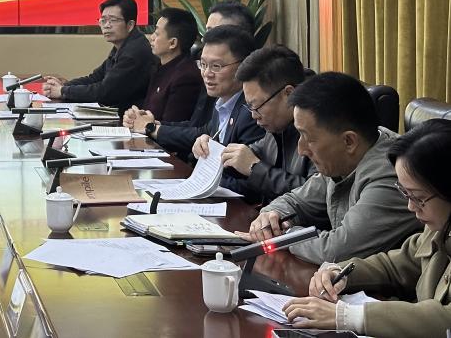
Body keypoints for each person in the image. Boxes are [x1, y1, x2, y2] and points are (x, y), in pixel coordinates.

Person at [282, 119, 451, 337]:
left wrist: (348, 317)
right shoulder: (440, 225)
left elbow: (446, 318)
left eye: (418, 198)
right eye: (406, 194)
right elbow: (396, 265)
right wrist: (341, 273)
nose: (411, 207)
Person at [246, 72, 420, 263]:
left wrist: (283, 233)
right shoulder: (343, 159)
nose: (301, 150)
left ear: (349, 141)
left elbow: (336, 251)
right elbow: (296, 201)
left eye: (308, 138)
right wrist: (271, 216)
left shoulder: (391, 175)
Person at [133, 25, 264, 164]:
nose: (207, 73)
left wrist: (152, 128)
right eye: (203, 64)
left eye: (216, 66)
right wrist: (153, 123)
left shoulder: (253, 111)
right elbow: (202, 131)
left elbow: (245, 171)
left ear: (243, 66)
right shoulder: (222, 102)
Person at [217, 44, 315, 204]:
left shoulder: (321, 127)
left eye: (257, 106)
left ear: (289, 94)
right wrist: (213, 152)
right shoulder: (277, 127)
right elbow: (248, 155)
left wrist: (254, 168)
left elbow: (316, 195)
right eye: (249, 106)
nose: (253, 115)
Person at [41, 0, 155, 112]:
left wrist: (62, 91)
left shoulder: (134, 52)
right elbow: (95, 78)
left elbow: (104, 92)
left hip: (130, 117)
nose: (106, 25)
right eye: (103, 20)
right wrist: (64, 86)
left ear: (130, 25)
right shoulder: (124, 45)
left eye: (113, 20)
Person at [120, 7, 202, 124]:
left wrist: (144, 123)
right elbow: (148, 111)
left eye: (157, 33)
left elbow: (172, 126)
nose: (152, 37)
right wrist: (134, 116)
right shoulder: (160, 67)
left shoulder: (186, 77)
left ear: (172, 43)